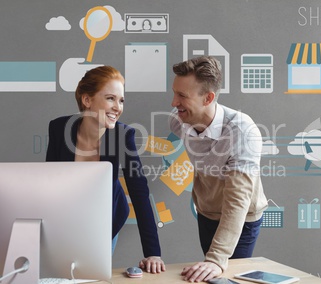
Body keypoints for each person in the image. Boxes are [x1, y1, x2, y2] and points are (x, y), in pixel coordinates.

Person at [46, 66, 165, 274]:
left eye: (121, 100)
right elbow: (49, 182)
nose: (117, 107)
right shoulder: (59, 128)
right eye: (110, 98)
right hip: (67, 218)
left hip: (105, 218)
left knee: (91, 274)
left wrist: (153, 253)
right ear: (87, 100)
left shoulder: (122, 136)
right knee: (60, 275)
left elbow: (139, 192)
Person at [169, 56, 268, 282]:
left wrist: (216, 258)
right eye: (175, 92)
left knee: (228, 277)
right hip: (206, 210)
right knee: (209, 276)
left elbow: (238, 199)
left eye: (182, 96)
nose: (174, 103)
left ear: (209, 98)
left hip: (242, 218)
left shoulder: (242, 131)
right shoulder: (178, 121)